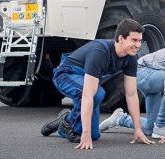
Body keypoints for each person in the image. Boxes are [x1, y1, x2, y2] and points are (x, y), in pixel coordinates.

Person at [40, 19, 154, 150]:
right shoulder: (100, 52)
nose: (138, 45)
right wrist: (85, 133)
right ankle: (72, 124)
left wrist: (138, 129)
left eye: (140, 41)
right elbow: (88, 95)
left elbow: (131, 94)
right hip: (66, 75)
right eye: (134, 40)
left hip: (85, 81)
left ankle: (65, 123)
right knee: (97, 94)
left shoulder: (131, 58)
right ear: (121, 38)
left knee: (94, 135)